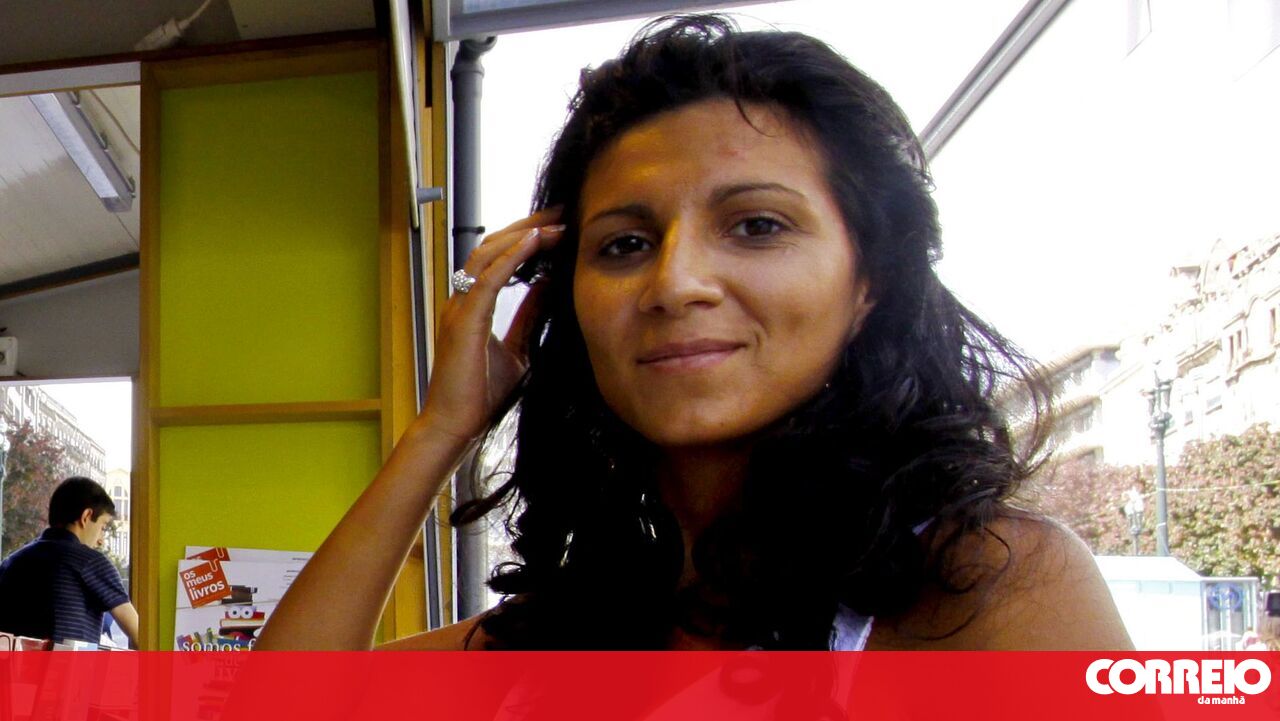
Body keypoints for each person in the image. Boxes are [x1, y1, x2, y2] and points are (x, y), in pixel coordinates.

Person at [258, 14, 1131, 651]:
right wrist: (442, 427)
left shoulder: (989, 584)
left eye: (756, 226)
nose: (675, 282)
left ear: (869, 281)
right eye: (625, 244)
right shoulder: (568, 627)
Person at [0, 477, 139, 647]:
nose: (101, 540)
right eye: (102, 527)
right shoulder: (90, 562)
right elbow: (141, 634)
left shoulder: (10, 563)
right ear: (86, 516)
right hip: (69, 664)